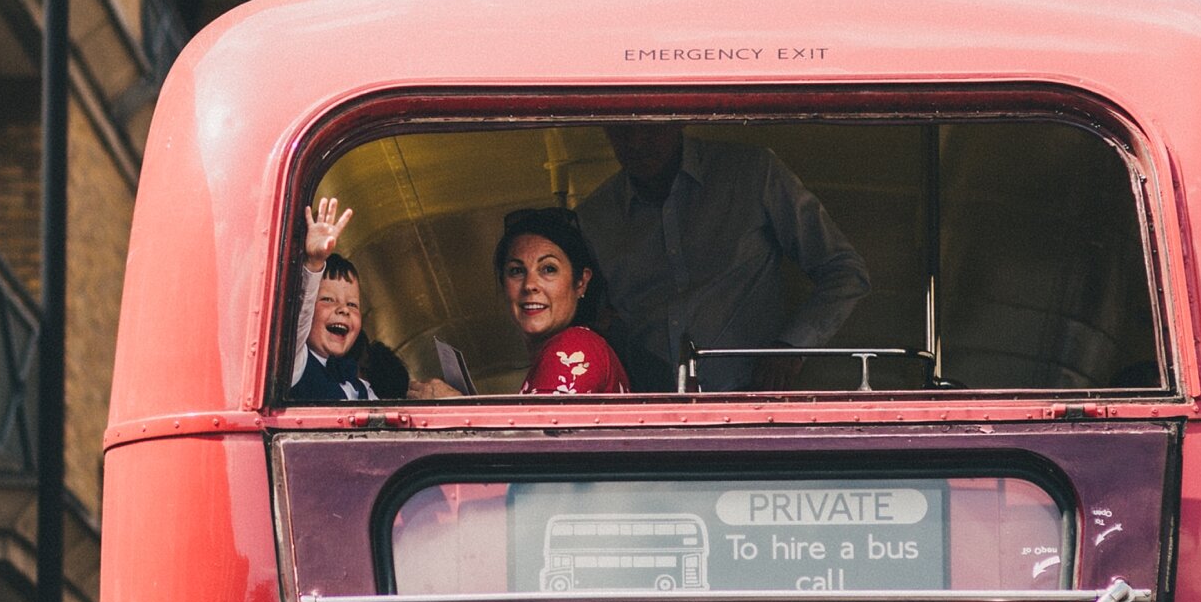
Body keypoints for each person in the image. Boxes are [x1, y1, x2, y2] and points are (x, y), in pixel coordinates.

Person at [577, 124, 870, 392]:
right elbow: (592, 317)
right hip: (648, 413)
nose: (637, 141)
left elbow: (844, 271)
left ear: (678, 117)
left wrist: (791, 348)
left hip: (755, 407)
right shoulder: (595, 216)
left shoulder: (752, 172)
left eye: (652, 127)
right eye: (622, 129)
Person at [413, 207, 630, 397]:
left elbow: (539, 440)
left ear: (581, 282)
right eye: (516, 271)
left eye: (548, 269)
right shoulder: (561, 352)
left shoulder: (574, 347)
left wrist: (454, 410)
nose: (530, 285)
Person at [290, 196, 376, 400]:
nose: (343, 310)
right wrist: (314, 264)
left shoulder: (363, 389)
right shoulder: (295, 365)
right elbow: (299, 320)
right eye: (328, 300)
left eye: (352, 304)